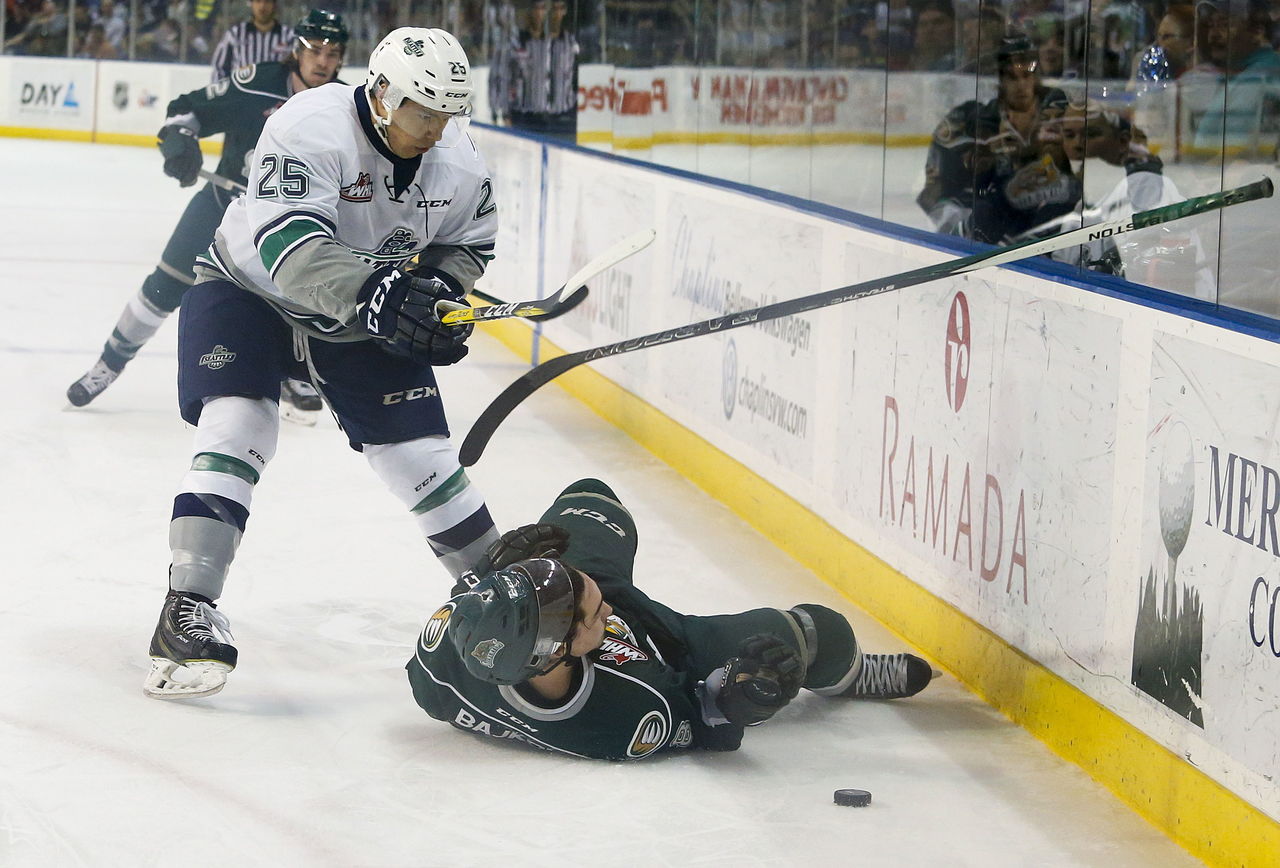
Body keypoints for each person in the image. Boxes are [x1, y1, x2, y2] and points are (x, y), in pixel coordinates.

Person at [142, 26, 502, 701]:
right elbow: (289, 248)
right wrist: (385, 295)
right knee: (238, 423)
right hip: (249, 288)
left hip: (360, 312)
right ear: (385, 94)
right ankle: (185, 609)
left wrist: (439, 296)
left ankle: (506, 600)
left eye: (447, 115)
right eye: (424, 112)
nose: (436, 129)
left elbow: (470, 242)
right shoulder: (310, 125)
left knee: (421, 456)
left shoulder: (459, 161)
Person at [406, 479, 935, 759]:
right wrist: (736, 701)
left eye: (579, 587)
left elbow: (483, 600)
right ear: (562, 650)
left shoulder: (439, 661)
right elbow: (702, 720)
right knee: (816, 631)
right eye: (595, 614)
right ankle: (850, 676)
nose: (607, 605)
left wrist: (503, 567)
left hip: (541, 615)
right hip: (670, 648)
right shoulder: (626, 715)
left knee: (590, 499)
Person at [65, 9, 348, 422]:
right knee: (163, 288)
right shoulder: (257, 84)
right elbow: (187, 109)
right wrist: (179, 140)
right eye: (315, 50)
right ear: (296, 51)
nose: (323, 61)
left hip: (291, 227)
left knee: (295, 297)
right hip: (222, 208)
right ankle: (108, 364)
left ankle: (292, 373)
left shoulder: (343, 104)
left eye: (333, 53)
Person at [917, 34, 1076, 244]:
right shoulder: (967, 122)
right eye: (1011, 76)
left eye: (1028, 75)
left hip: (1028, 224)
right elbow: (934, 194)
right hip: (979, 223)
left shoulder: (1056, 107)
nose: (1021, 85)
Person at [506, 0, 579, 143]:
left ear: (564, 12)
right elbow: (510, 78)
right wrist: (507, 114)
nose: (553, 13)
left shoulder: (571, 43)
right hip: (527, 119)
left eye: (559, 8)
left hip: (563, 121)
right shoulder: (520, 42)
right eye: (543, 8)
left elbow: (575, 78)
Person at [209, 0, 294, 83]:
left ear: (274, 4)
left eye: (267, 1)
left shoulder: (289, 36)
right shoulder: (235, 34)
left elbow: (296, 70)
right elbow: (219, 69)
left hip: (277, 94)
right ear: (251, 3)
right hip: (242, 94)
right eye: (258, 1)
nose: (262, 6)